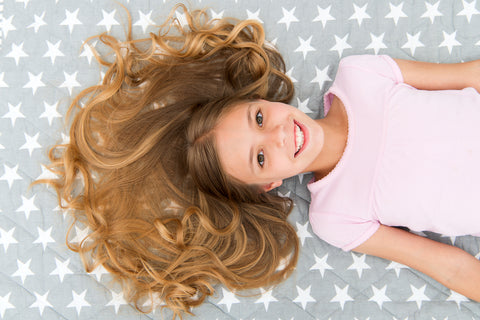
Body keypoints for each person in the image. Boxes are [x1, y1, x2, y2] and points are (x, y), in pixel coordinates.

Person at [38, 3, 480, 319]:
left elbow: (469, 76)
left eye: (260, 117)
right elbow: (449, 265)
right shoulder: (336, 217)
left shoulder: (361, 75)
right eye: (262, 157)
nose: (280, 134)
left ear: (260, 99)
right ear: (268, 186)